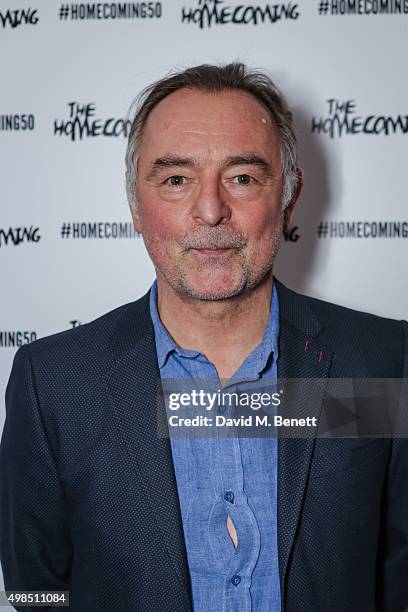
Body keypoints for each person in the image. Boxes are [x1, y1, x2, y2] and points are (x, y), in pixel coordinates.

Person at [1, 62, 407, 612]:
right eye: (176, 180)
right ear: (134, 205)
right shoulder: (53, 383)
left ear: (287, 196)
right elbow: (34, 590)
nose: (211, 210)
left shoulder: (381, 362)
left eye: (242, 177)